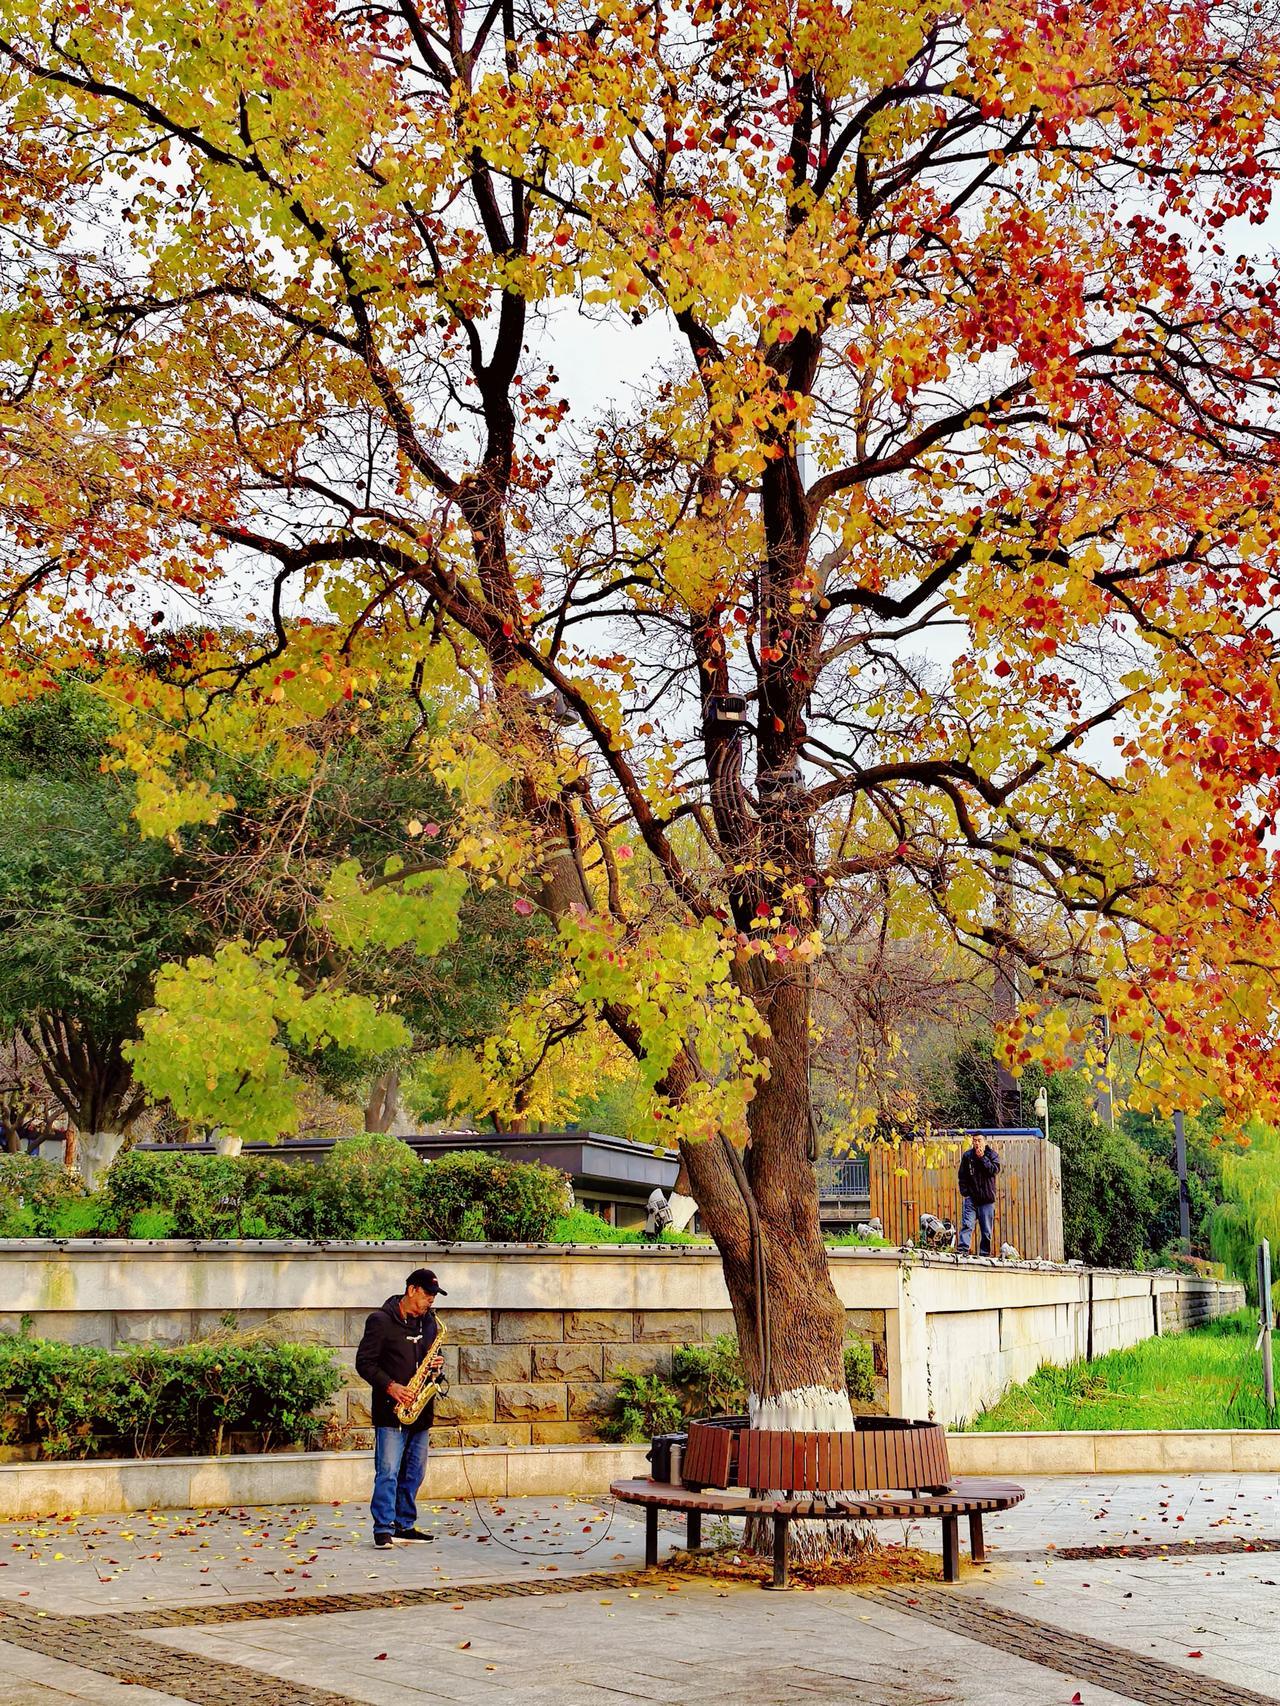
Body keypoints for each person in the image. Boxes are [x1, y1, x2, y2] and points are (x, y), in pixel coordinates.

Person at [355, 1266, 446, 1549]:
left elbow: (434, 1355)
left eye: (434, 1296)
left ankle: (404, 1524)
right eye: (428, 1295)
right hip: (391, 1409)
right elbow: (364, 1363)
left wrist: (436, 1368)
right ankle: (383, 1527)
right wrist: (391, 1386)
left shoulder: (429, 1322)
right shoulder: (380, 1320)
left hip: (421, 1408)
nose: (431, 1301)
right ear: (412, 1290)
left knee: (414, 1472)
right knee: (388, 1471)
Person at [957, 1134, 1000, 1257]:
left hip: (987, 1199)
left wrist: (982, 1158)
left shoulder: (992, 1155)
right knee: (967, 1224)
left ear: (984, 1141)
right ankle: (963, 1249)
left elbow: (994, 1170)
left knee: (986, 1230)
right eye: (974, 1140)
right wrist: (965, 1192)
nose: (977, 1143)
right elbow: (962, 1175)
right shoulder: (968, 1156)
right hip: (971, 1198)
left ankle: (984, 1253)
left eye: (979, 1140)